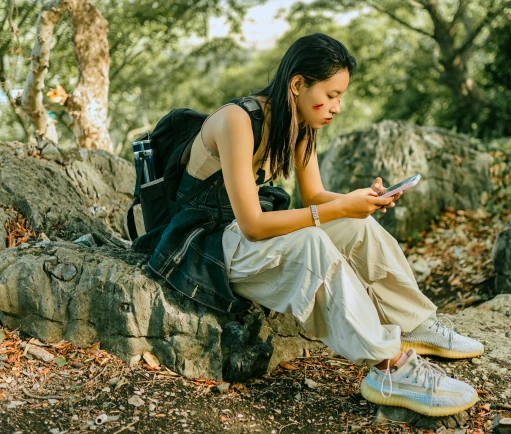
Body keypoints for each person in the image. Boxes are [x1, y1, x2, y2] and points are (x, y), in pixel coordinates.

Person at [171, 33, 483, 417]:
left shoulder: (301, 122)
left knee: (359, 228)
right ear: (298, 84)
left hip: (240, 235)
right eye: (332, 94)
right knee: (312, 244)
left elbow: (315, 196)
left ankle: (414, 325)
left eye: (341, 97)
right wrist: (335, 211)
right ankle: (387, 367)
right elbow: (252, 224)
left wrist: (358, 201)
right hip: (204, 245)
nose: (337, 106)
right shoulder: (237, 120)